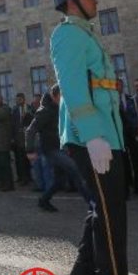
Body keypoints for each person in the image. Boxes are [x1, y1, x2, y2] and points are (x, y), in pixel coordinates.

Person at [51, 0, 138, 275]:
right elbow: (71, 86)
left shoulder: (87, 34)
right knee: (112, 214)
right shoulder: (67, 34)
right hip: (91, 136)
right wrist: (94, 135)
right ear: (71, 3)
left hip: (104, 135)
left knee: (103, 208)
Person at [25, 84, 84, 212]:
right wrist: (30, 150)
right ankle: (93, 203)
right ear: (54, 96)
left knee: (60, 181)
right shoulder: (45, 110)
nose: (64, 100)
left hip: (60, 147)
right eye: (61, 97)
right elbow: (30, 130)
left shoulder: (60, 108)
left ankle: (44, 200)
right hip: (51, 150)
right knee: (75, 168)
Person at [11, 93, 32, 186]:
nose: (18, 101)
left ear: (23, 99)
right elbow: (12, 124)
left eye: (19, 99)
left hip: (27, 137)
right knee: (19, 159)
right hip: (18, 139)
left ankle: (28, 177)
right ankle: (21, 177)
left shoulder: (29, 108)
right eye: (17, 99)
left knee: (27, 159)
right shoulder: (14, 110)